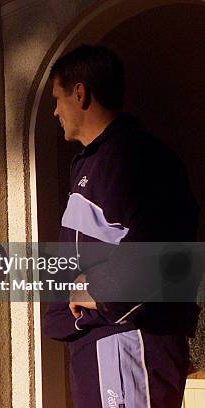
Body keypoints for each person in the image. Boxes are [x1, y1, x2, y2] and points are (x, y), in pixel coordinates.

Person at [43, 45, 200, 408]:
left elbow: (163, 253)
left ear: (80, 93)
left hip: (129, 343)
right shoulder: (90, 164)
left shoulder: (139, 157)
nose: (54, 110)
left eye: (58, 99)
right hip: (101, 343)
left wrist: (96, 288)